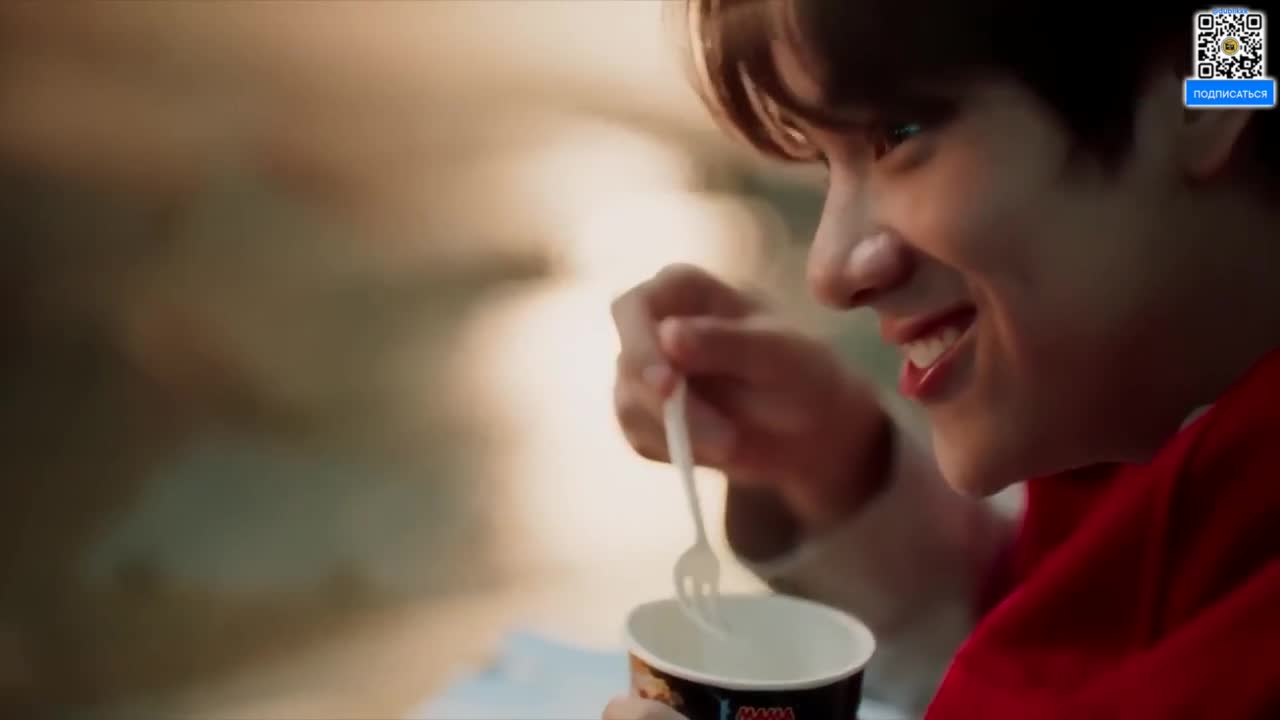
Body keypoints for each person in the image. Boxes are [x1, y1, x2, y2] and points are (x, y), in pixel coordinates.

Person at [603, 1, 1280, 717]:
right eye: (826, 166)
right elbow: (1071, 648)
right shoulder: (1147, 435)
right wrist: (833, 466)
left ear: (1199, 98)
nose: (829, 272)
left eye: (899, 133)